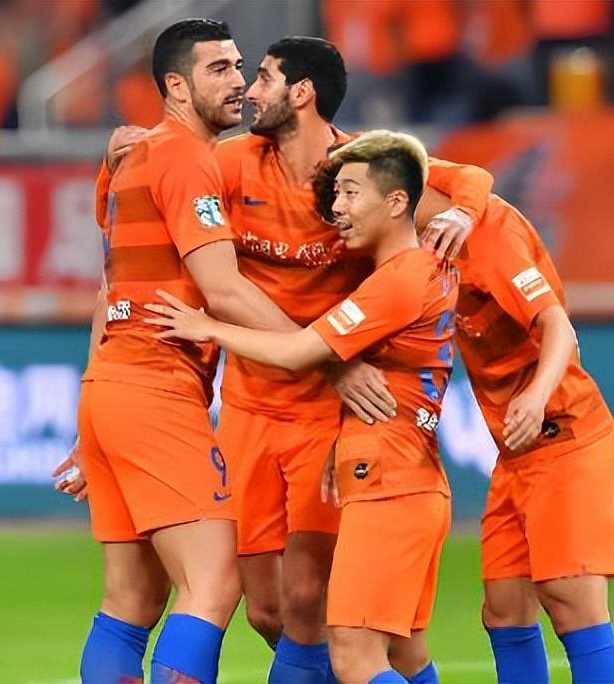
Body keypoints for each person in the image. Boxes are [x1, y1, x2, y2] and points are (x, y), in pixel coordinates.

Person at [70, 35, 492, 684]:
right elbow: (170, 255)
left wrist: (464, 211)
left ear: (302, 93)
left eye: (257, 75)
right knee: (257, 603)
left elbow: (468, 179)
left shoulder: (361, 171)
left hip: (322, 414)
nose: (245, 86)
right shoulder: (223, 162)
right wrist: (120, 153)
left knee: (303, 598)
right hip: (247, 402)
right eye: (230, 69)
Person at [147, 129, 456, 684]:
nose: (337, 209)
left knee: (354, 655)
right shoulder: (418, 272)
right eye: (336, 194)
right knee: (403, 651)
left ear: (396, 202)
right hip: (399, 475)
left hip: (389, 483)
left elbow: (297, 351)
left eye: (351, 194)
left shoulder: (398, 281)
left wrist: (209, 327)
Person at [71, 18, 300, 684]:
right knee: (214, 582)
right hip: (156, 387)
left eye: (239, 67)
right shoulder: (184, 156)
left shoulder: (129, 159)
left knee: (133, 598)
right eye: (218, 69)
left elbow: (108, 289)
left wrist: (92, 417)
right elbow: (222, 289)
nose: (238, 82)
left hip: (111, 387)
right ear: (176, 85)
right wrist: (323, 350)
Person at [421, 186, 614, 683]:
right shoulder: (421, 238)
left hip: (564, 434)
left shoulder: (491, 236)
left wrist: (535, 396)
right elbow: (469, 175)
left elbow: (558, 325)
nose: (341, 205)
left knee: (572, 601)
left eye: (351, 191)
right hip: (515, 453)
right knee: (504, 611)